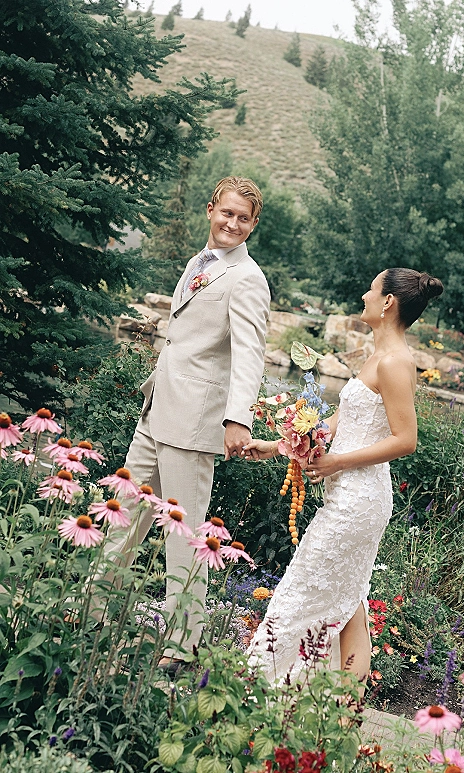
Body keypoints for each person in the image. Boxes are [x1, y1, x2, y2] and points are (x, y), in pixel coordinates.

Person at [242, 268, 443, 685]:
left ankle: (261, 684)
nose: (365, 295)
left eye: (372, 289)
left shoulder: (394, 362)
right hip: (347, 496)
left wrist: (336, 462)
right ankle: (343, 709)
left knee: (302, 592)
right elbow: (341, 420)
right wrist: (278, 445)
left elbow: (406, 440)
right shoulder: (376, 357)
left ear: (388, 302)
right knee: (349, 602)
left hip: (359, 500)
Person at [100, 176, 270, 668]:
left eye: (243, 219)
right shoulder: (201, 263)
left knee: (186, 535)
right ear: (211, 209)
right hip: (158, 409)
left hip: (196, 422)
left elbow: (249, 356)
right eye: (227, 213)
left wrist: (237, 418)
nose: (232, 224)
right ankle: (92, 608)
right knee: (121, 511)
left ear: (253, 225)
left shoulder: (247, 278)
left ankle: (183, 645)